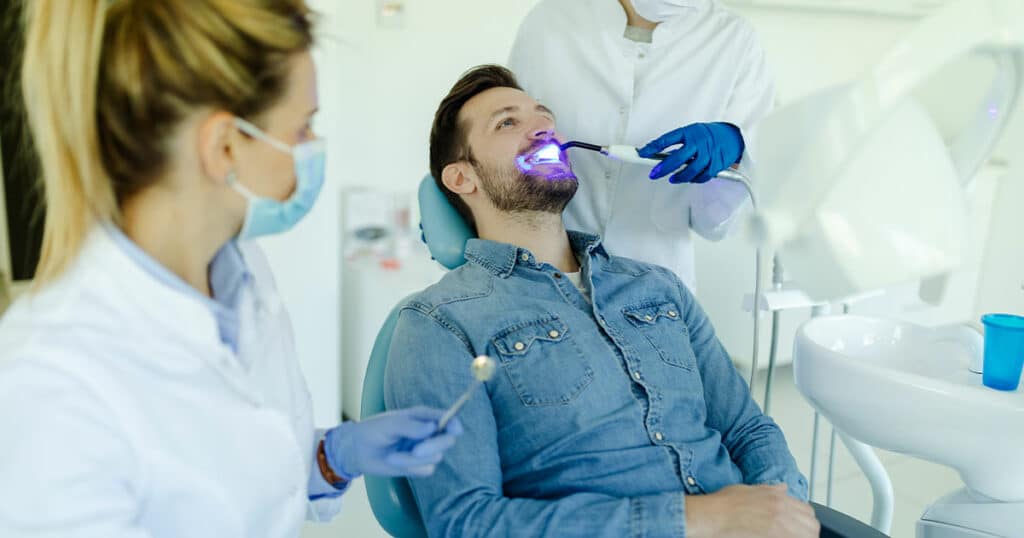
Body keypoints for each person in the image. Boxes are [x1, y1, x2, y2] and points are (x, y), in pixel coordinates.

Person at [0, 1, 460, 535]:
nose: (313, 149)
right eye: (303, 129)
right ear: (224, 146)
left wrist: (335, 454)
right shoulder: (51, 386)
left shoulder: (239, 274)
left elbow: (243, 477)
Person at [385, 65, 816, 537]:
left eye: (544, 117)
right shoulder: (438, 322)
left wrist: (783, 506)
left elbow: (746, 431)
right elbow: (467, 523)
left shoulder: (658, 288)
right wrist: (700, 520)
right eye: (507, 122)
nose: (542, 128)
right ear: (462, 178)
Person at [508, 0, 774, 290]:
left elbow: (713, 224)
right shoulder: (550, 21)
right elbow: (503, 153)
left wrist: (736, 154)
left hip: (656, 285)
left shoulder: (733, 39)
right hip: (545, 274)